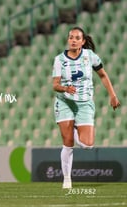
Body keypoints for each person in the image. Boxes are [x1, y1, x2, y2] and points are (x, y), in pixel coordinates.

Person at [52, 27, 121, 189]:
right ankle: (67, 179)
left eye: (77, 38)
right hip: (65, 102)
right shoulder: (59, 59)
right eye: (71, 37)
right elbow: (55, 85)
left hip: (85, 102)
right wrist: (65, 88)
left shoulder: (90, 57)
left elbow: (103, 75)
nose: (73, 40)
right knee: (68, 143)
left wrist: (112, 95)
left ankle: (74, 129)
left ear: (83, 41)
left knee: (88, 144)